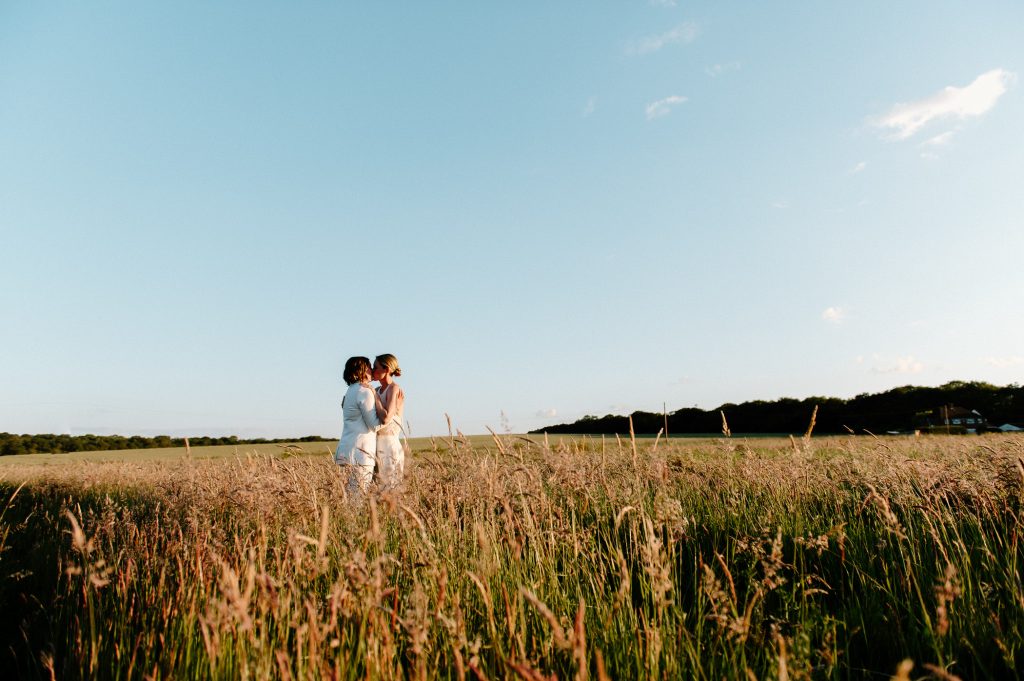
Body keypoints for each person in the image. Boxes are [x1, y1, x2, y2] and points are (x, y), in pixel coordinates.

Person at [336, 356, 382, 496]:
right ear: (361, 370)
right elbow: (374, 425)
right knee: (357, 499)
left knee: (350, 497)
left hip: (346, 450)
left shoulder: (350, 390)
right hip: (361, 454)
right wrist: (392, 415)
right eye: (369, 366)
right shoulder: (365, 391)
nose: (372, 369)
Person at [371, 353, 405, 489]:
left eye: (375, 367)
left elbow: (386, 418)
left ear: (386, 370)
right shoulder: (377, 389)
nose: (372, 370)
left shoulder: (394, 389)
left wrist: (375, 397)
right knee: (376, 487)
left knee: (391, 488)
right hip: (375, 445)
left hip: (390, 445)